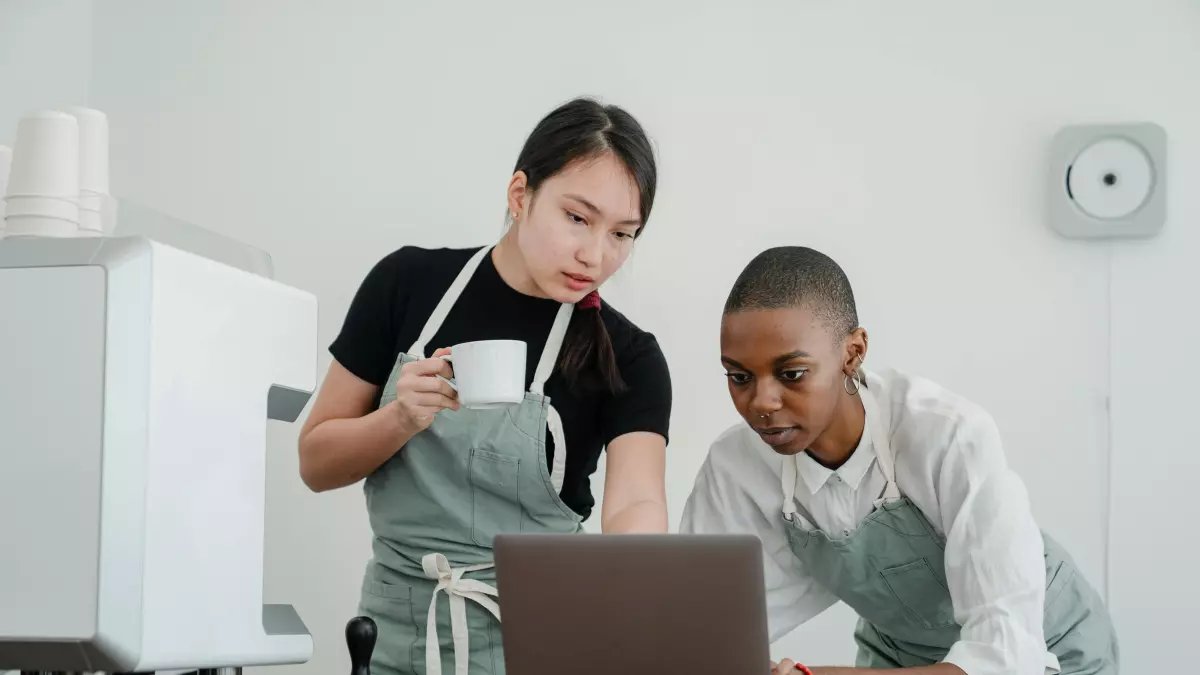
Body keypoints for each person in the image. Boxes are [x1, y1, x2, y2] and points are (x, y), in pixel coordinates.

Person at [299, 98, 672, 675]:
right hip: (395, 644)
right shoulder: (406, 285)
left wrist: (635, 574)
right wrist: (398, 417)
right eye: (577, 217)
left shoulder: (630, 357)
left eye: (623, 234)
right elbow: (316, 463)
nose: (595, 255)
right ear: (520, 195)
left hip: (544, 645)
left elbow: (637, 502)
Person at [680, 247, 1118, 675]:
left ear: (852, 353)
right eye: (739, 377)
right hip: (900, 654)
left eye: (791, 374)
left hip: (1043, 646)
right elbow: (702, 631)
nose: (762, 402)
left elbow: (1006, 658)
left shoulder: (948, 435)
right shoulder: (734, 467)